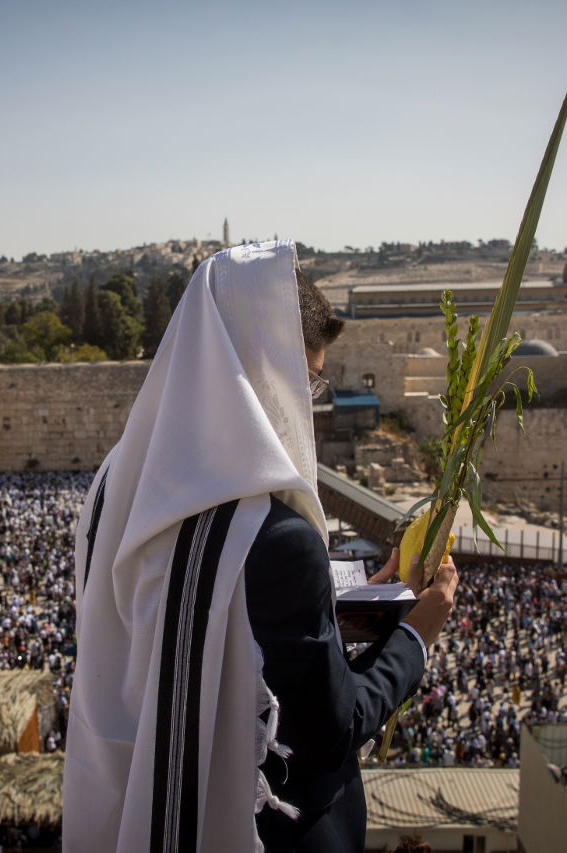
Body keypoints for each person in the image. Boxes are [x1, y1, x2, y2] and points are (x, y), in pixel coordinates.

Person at [63, 240, 458, 853]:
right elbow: (332, 730)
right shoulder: (280, 538)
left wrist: (354, 602)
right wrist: (415, 637)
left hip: (127, 789)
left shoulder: (120, 483)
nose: (304, 402)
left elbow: (218, 624)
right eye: (303, 378)